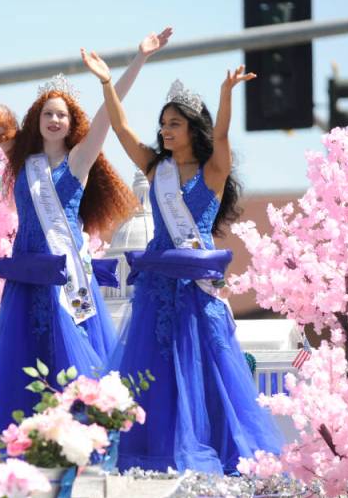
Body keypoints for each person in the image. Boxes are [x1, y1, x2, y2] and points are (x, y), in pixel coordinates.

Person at [0, 11, 168, 432]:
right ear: (37, 119)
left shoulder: (79, 161)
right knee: (27, 363)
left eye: (62, 114)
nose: (54, 119)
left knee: (75, 362)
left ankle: (80, 437)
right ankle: (30, 440)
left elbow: (108, 115)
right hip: (29, 278)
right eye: (48, 113)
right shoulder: (22, 161)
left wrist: (137, 60)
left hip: (68, 281)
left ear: (71, 123)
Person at [80, 49, 282, 473]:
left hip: (195, 285)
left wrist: (226, 94)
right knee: (155, 364)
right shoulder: (158, 170)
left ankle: (215, 447)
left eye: (174, 123)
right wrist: (104, 82)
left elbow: (223, 137)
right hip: (157, 285)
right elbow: (120, 127)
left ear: (193, 128)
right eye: (163, 123)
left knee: (203, 363)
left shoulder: (213, 170)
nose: (165, 130)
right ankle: (154, 450)